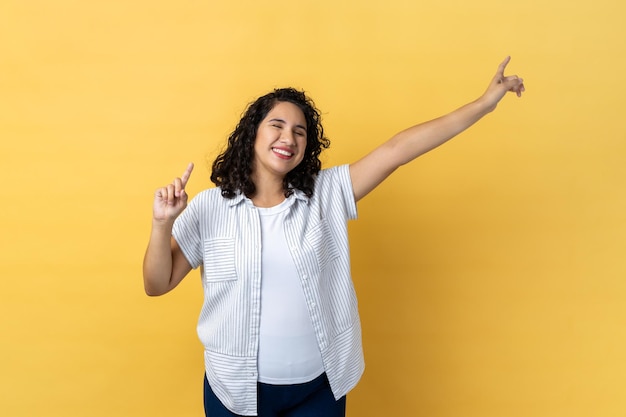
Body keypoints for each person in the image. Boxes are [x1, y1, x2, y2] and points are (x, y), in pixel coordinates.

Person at [142, 57, 525, 417]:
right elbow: (156, 284)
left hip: (320, 390)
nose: (288, 137)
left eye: (300, 131)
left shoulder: (325, 194)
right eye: (276, 125)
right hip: (235, 392)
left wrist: (483, 105)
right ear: (252, 133)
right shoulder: (210, 208)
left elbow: (397, 150)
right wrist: (162, 225)